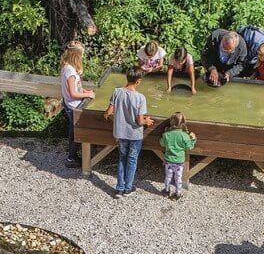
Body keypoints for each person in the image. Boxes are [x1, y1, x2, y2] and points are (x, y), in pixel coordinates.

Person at [103, 68, 153, 198]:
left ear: (127, 77)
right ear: (138, 81)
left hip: (120, 133)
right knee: (132, 160)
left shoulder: (116, 92)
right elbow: (139, 121)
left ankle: (119, 188)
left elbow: (108, 112)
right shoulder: (140, 98)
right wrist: (147, 121)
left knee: (122, 158)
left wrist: (108, 116)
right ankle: (128, 188)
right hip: (134, 135)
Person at [59, 42, 95, 166]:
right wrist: (87, 95)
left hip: (70, 104)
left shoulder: (67, 66)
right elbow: (73, 93)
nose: (83, 57)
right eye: (82, 55)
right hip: (74, 106)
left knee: (73, 131)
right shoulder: (71, 73)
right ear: (76, 56)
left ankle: (72, 154)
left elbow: (75, 88)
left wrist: (84, 90)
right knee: (78, 133)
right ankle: (71, 158)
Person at [159, 112, 196, 199]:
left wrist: (164, 134)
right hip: (179, 161)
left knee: (168, 176)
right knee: (178, 178)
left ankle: (166, 191)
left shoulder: (166, 135)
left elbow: (162, 143)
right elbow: (189, 147)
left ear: (171, 122)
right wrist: (193, 139)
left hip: (168, 160)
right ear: (183, 123)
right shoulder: (185, 136)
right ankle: (178, 193)